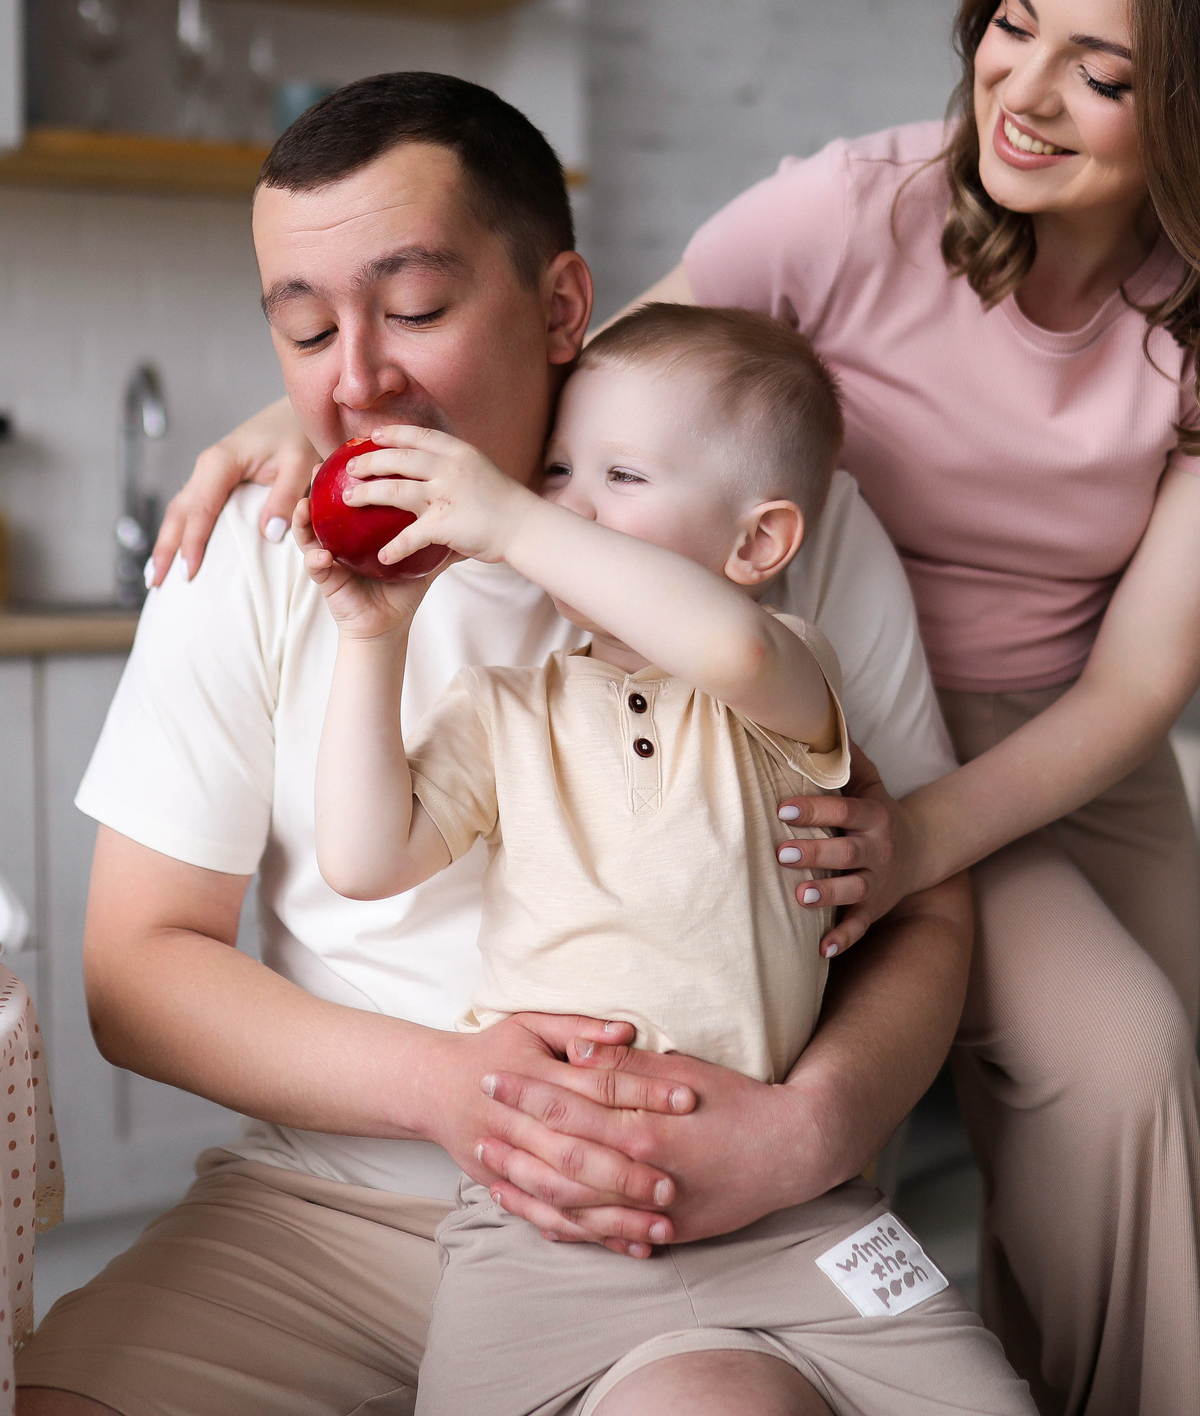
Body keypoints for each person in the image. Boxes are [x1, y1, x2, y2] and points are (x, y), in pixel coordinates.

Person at [150, 0, 1200, 1416]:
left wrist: (921, 834)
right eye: (1011, 23)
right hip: (829, 701)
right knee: (885, 1098)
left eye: (1103, 72)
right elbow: (575, 362)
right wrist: (315, 411)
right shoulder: (848, 214)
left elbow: (1140, 681)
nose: (1023, 91)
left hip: (1058, 755)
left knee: (1121, 1080)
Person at [18, 71, 994, 1416]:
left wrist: (812, 1125)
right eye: (303, 329)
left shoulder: (759, 513)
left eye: (414, 308)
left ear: (562, 309)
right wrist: (447, 1088)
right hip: (325, 1208)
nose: (356, 376)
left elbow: (925, 895)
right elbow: (136, 972)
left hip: (682, 1214)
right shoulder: (249, 548)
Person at [306, 307, 1034, 1416]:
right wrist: (375, 639)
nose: (566, 504)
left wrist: (507, 517)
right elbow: (362, 856)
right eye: (554, 471)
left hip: (798, 1213)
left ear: (757, 545)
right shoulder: (509, 710)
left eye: (622, 475)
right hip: (543, 1227)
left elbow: (726, 643)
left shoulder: (778, 683)